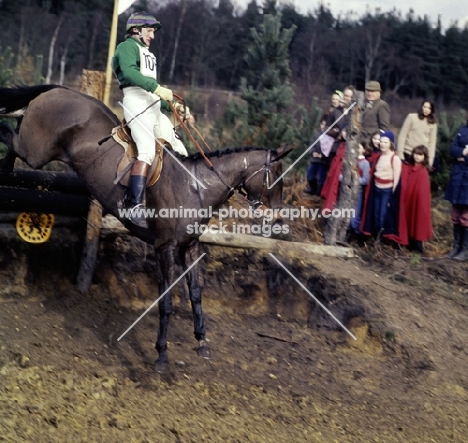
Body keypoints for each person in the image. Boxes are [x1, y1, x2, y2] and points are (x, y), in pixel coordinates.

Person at [112, 11, 189, 229]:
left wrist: (174, 107)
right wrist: (157, 88)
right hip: (136, 104)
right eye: (150, 31)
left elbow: (155, 93)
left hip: (153, 106)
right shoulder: (126, 47)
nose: (152, 36)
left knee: (178, 147)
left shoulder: (148, 54)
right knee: (146, 149)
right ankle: (133, 205)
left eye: (153, 32)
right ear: (136, 30)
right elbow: (128, 74)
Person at [360, 130, 408, 246]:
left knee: (383, 215)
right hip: (377, 189)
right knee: (376, 214)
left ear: (391, 143)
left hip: (387, 190)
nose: (382, 144)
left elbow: (397, 179)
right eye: (381, 142)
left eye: (385, 142)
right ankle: (376, 236)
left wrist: (392, 196)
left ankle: (381, 239)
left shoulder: (394, 158)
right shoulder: (379, 156)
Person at [444, 122, 468, 261]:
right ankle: (456, 247)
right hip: (458, 176)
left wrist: (462, 159)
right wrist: (463, 152)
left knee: (466, 216)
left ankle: (465, 251)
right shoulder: (463, 129)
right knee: (456, 213)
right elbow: (452, 149)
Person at [402, 145, 433, 253]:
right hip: (408, 199)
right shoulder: (408, 167)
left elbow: (423, 191)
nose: (417, 157)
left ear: (424, 157)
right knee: (408, 219)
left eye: (420, 155)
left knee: (418, 220)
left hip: (417, 201)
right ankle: (408, 242)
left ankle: (418, 246)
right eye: (416, 154)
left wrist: (419, 202)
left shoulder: (423, 171)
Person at [398, 100, 438, 167]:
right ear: (421, 107)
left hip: (422, 156)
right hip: (408, 152)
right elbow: (402, 135)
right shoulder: (411, 117)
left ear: (432, 110)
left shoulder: (433, 123)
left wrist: (430, 159)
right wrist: (400, 152)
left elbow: (432, 142)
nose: (426, 109)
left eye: (429, 108)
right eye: (425, 107)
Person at [348, 143, 372, 238]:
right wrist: (347, 180)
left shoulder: (365, 163)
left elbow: (366, 179)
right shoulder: (350, 161)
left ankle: (358, 234)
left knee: (355, 216)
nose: (357, 149)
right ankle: (349, 235)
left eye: (359, 147)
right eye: (355, 147)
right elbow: (341, 176)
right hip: (347, 191)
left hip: (358, 191)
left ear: (364, 150)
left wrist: (355, 180)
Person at [305, 117, 328, 197]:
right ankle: (313, 189)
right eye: (322, 124)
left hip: (323, 161)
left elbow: (330, 148)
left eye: (326, 125)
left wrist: (323, 155)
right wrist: (313, 152)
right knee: (309, 174)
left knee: (321, 178)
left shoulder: (330, 137)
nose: (324, 126)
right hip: (314, 159)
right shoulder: (316, 135)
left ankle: (319, 193)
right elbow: (311, 145)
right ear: (320, 124)